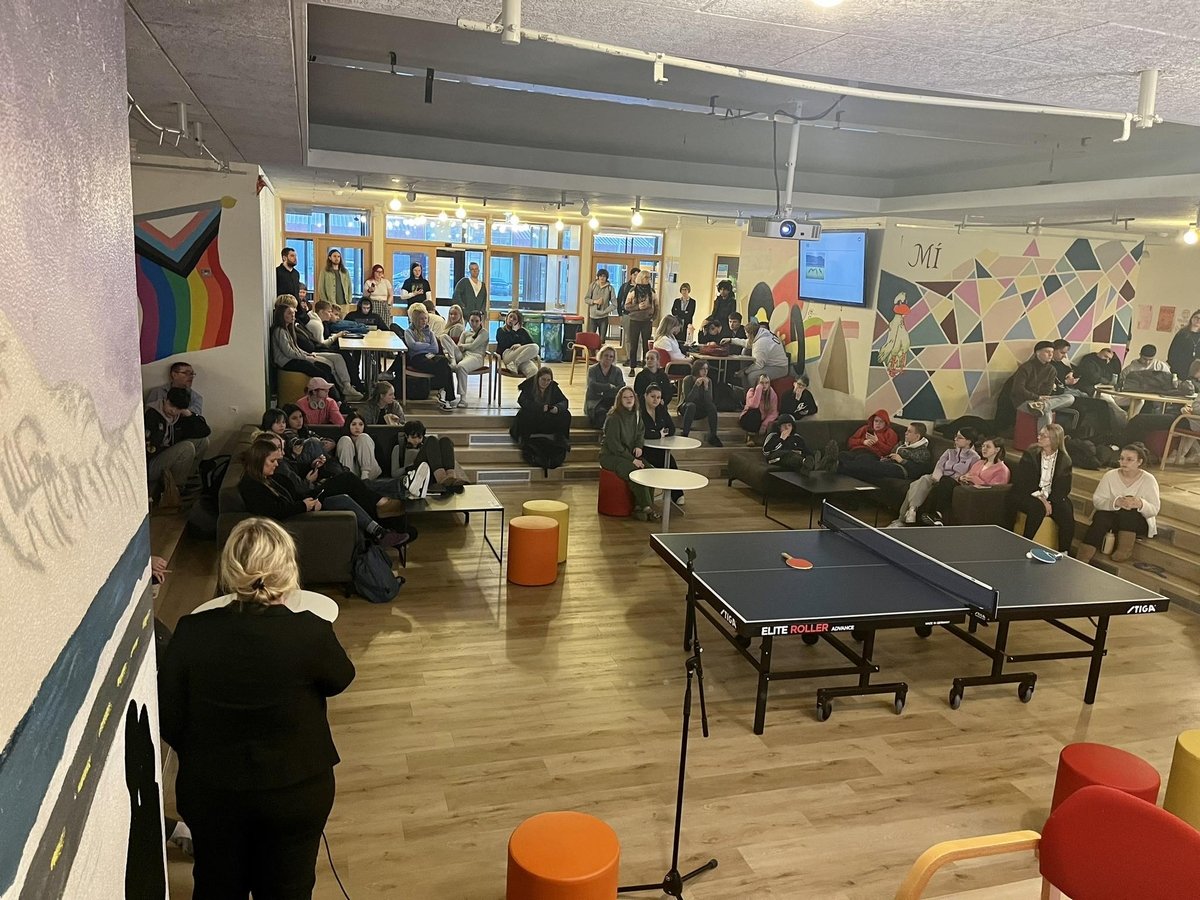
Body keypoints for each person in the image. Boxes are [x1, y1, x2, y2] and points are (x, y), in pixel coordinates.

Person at [158, 517, 355, 899]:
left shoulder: (191, 631)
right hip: (296, 791)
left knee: (216, 887)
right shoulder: (310, 631)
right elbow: (341, 678)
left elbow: (170, 717)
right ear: (287, 568)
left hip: (212, 792)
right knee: (289, 889)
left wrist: (207, 755)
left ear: (230, 570)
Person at [238, 437, 410, 549]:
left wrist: (307, 491)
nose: (276, 464)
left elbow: (292, 491)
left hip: (305, 500)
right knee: (349, 480)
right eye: (272, 460)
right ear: (259, 460)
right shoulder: (252, 484)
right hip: (298, 514)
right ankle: (394, 494)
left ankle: (380, 531)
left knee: (344, 496)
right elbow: (273, 511)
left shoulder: (269, 477)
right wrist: (304, 505)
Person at [1077, 443, 1161, 564]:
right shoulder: (1110, 475)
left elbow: (1154, 509)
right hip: (1113, 518)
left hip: (1136, 523)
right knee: (1101, 517)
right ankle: (1084, 555)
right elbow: (1098, 501)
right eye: (1121, 458)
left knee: (1129, 513)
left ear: (1139, 462)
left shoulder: (1149, 480)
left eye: (1129, 459)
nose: (1124, 462)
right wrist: (1116, 502)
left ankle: (1124, 550)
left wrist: (1140, 504)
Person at [1006, 423, 1074, 553]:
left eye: (1043, 436)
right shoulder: (1031, 453)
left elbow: (1064, 487)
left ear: (1054, 439)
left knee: (1066, 511)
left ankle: (1064, 551)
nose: (1039, 437)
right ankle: (1025, 544)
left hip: (1051, 496)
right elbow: (1024, 481)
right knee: (1037, 508)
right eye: (1040, 434)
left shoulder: (1065, 460)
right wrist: (1043, 500)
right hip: (1029, 492)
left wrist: (1050, 501)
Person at [891, 427, 980, 526]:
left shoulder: (974, 457)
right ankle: (912, 510)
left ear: (968, 441)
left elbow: (970, 474)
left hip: (953, 481)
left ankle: (901, 520)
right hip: (937, 477)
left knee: (916, 485)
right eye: (956, 436)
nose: (955, 439)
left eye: (959, 437)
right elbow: (939, 466)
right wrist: (936, 479)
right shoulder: (949, 452)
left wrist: (957, 478)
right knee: (921, 481)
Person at [270, 302, 356, 401]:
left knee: (326, 368)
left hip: (294, 359)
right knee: (322, 371)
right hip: (287, 362)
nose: (293, 316)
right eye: (289, 313)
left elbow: (295, 348)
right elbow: (289, 352)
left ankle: (338, 396)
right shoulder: (280, 331)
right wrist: (306, 357)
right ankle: (336, 399)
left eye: (293, 313)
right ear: (281, 315)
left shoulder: (288, 329)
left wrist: (307, 354)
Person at [600, 386, 656, 521]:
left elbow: (640, 432)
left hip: (629, 454)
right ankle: (647, 507)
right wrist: (632, 460)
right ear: (620, 400)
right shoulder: (614, 418)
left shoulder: (636, 415)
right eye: (625, 397)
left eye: (631, 397)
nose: (628, 399)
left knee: (649, 470)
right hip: (611, 456)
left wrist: (638, 446)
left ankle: (640, 506)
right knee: (634, 471)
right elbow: (614, 445)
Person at [396, 303, 457, 410]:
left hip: (431, 356)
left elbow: (435, 349)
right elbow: (412, 346)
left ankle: (444, 394)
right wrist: (427, 345)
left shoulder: (430, 333)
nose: (424, 321)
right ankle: (446, 395)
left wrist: (422, 346)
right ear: (415, 320)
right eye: (421, 319)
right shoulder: (409, 332)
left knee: (444, 362)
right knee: (445, 366)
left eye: (425, 318)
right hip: (417, 358)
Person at [146, 387, 200, 506]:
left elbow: (204, 431)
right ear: (166, 400)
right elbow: (149, 448)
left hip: (165, 453)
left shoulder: (177, 417)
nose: (173, 411)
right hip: (150, 462)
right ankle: (176, 489)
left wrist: (190, 415)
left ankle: (185, 481)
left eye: (178, 409)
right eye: (171, 405)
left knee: (202, 442)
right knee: (187, 447)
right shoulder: (152, 415)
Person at [840, 421, 931, 484]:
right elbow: (891, 452)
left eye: (909, 431)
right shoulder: (903, 444)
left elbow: (918, 471)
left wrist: (902, 461)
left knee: (869, 465)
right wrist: (887, 457)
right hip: (889, 463)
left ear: (917, 436)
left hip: (901, 469)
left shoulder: (923, 452)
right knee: (865, 470)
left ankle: (839, 465)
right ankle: (840, 466)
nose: (905, 433)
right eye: (906, 430)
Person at [1011, 341, 1074, 431]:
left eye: (1052, 352)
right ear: (1037, 353)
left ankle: (1042, 406)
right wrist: (1037, 397)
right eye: (1047, 352)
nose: (1050, 355)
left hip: (1041, 401)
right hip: (1024, 401)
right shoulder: (1026, 368)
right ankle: (1043, 438)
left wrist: (1041, 401)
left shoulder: (1051, 370)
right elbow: (1018, 389)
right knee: (1046, 413)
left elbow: (1047, 392)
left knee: (1070, 398)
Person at [642, 384, 684, 505]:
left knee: (671, 462)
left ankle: (676, 494)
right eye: (652, 396)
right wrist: (658, 434)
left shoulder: (661, 409)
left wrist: (657, 433)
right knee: (662, 463)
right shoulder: (639, 411)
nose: (655, 400)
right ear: (645, 396)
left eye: (658, 397)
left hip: (659, 448)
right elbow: (642, 432)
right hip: (643, 449)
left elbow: (671, 428)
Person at [400, 421, 467, 492]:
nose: (416, 440)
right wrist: (408, 466)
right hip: (414, 472)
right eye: (413, 437)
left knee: (445, 441)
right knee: (431, 439)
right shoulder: (400, 448)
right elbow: (394, 472)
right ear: (406, 436)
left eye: (420, 437)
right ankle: (441, 478)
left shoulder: (428, 446)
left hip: (431, 472)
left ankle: (450, 477)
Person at [511, 366, 571, 442]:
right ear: (538, 378)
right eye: (543, 379)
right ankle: (524, 439)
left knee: (566, 414)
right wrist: (539, 408)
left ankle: (561, 438)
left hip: (547, 416)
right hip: (533, 415)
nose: (545, 383)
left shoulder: (553, 386)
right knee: (523, 414)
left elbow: (564, 401)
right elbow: (522, 401)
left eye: (548, 380)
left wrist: (557, 408)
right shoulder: (529, 385)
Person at [444, 310, 489, 404]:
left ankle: (463, 398)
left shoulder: (484, 333)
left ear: (480, 321)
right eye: (472, 321)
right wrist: (460, 347)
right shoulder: (465, 333)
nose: (474, 323)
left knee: (461, 366)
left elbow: (473, 346)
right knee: (444, 337)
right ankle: (453, 360)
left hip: (476, 356)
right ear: (469, 321)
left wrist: (463, 346)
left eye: (477, 321)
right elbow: (458, 346)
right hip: (462, 354)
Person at [724, 319, 789, 384]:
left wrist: (744, 372)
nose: (746, 335)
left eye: (746, 333)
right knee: (746, 355)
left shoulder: (761, 343)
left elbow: (758, 365)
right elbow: (747, 343)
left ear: (751, 334)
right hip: (771, 364)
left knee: (752, 376)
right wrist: (731, 340)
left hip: (780, 368)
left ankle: (754, 391)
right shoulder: (762, 334)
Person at [678, 360, 723, 447]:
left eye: (707, 369)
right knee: (691, 405)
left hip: (700, 409)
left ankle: (713, 436)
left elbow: (709, 401)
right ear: (697, 369)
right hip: (687, 408)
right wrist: (696, 386)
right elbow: (688, 399)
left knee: (712, 406)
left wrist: (706, 388)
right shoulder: (688, 379)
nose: (705, 371)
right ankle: (685, 434)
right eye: (702, 369)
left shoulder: (708, 381)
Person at [586, 345, 625, 428]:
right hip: (595, 400)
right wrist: (609, 386)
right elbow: (592, 385)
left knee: (618, 412)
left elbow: (621, 387)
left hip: (611, 399)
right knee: (601, 413)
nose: (608, 358)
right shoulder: (592, 369)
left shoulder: (617, 371)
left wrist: (602, 389)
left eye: (611, 356)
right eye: (606, 355)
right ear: (601, 356)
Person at [625, 270, 657, 373]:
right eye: (646, 277)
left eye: (649, 278)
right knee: (633, 345)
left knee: (646, 345)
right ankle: (632, 367)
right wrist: (638, 307)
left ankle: (646, 366)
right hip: (635, 320)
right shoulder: (633, 291)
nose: (648, 279)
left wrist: (653, 317)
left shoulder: (652, 291)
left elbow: (656, 306)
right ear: (641, 278)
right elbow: (626, 306)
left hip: (647, 321)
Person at [497, 309, 541, 378]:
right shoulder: (501, 330)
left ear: (518, 322)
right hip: (508, 355)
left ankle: (515, 364)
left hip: (522, 358)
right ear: (507, 317)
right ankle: (514, 364)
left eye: (514, 319)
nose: (511, 320)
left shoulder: (523, 331)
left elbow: (532, 345)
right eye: (510, 317)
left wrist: (520, 345)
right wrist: (513, 331)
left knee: (533, 371)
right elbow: (504, 344)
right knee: (535, 347)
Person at [738, 373, 779, 444]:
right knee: (755, 412)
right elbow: (754, 405)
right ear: (757, 384)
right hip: (748, 418)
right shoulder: (751, 391)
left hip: (762, 420)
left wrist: (764, 424)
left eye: (766, 383)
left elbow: (774, 413)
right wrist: (758, 390)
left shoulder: (772, 394)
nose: (764, 385)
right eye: (761, 383)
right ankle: (750, 437)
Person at [583, 269, 615, 341]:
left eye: (604, 276)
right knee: (591, 339)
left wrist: (605, 311)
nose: (602, 278)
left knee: (602, 339)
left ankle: (601, 348)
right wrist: (595, 301)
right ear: (598, 277)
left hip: (604, 317)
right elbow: (586, 299)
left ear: (606, 278)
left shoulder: (610, 288)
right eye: (600, 276)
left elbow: (614, 304)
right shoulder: (593, 285)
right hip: (593, 317)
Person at [1167, 310, 1200, 378]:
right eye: (1196, 317)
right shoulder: (1182, 334)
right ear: (1191, 318)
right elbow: (1172, 353)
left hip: (1195, 373)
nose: (1198, 320)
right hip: (1179, 369)